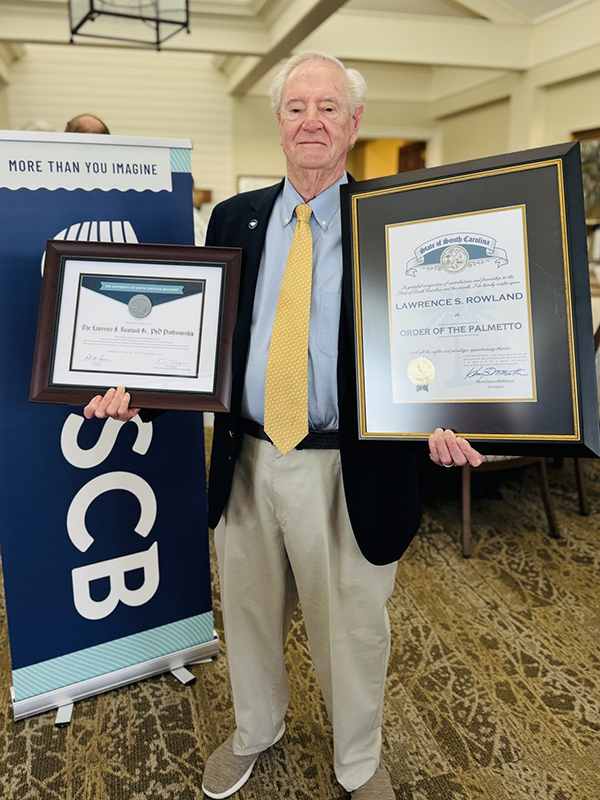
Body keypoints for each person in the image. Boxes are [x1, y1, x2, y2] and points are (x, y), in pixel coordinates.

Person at [84, 52, 484, 799]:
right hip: (248, 459)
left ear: (354, 124)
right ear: (278, 123)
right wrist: (143, 389)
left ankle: (359, 760)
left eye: (328, 108)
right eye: (297, 107)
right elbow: (202, 342)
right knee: (249, 614)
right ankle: (254, 729)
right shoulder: (234, 218)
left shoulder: (396, 226)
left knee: (353, 634)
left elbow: (440, 343)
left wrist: (453, 415)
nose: (311, 122)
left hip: (348, 466)